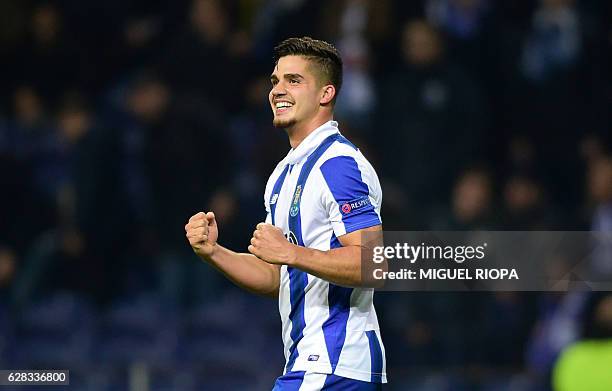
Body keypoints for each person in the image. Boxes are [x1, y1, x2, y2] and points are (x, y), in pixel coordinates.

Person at [185, 37, 387, 390]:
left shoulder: (337, 164)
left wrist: (291, 253)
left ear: (325, 94)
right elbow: (277, 279)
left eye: (294, 80)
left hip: (335, 362)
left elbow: (374, 264)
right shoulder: (284, 173)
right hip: (309, 362)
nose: (278, 89)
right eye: (275, 80)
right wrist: (214, 253)